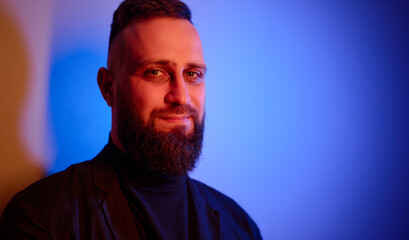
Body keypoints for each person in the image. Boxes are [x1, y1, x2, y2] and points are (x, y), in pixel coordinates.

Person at [0, 0, 262, 239]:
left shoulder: (240, 227)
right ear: (108, 88)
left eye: (192, 74)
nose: (181, 97)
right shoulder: (41, 217)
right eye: (155, 72)